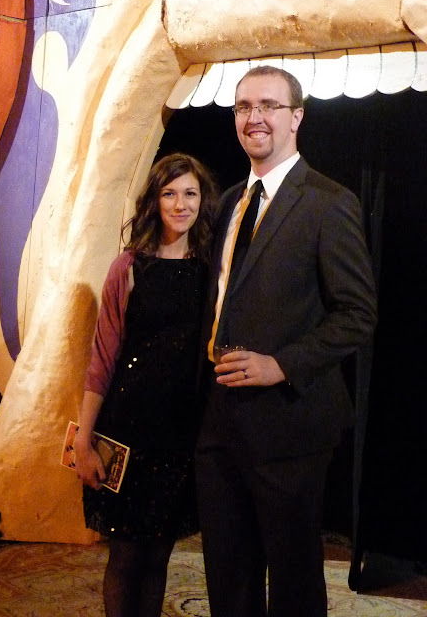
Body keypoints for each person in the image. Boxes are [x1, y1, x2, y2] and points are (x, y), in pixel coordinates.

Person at [195, 65, 377, 617]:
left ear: (297, 117)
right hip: (219, 425)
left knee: (295, 588)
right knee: (228, 580)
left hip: (289, 426)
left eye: (269, 106)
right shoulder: (229, 202)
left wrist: (282, 364)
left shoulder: (329, 202)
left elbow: (358, 314)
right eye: (244, 107)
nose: (255, 118)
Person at [75, 153, 218, 617]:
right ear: (154, 201)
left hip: (179, 436)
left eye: (190, 193)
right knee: (125, 556)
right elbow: (102, 358)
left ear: (202, 200)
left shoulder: (211, 270)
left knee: (158, 556)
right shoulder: (128, 267)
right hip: (127, 430)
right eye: (169, 193)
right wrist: (83, 439)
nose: (180, 204)